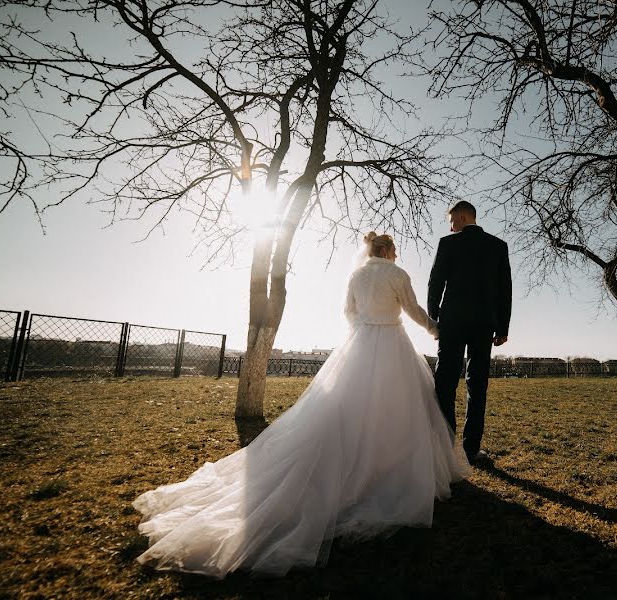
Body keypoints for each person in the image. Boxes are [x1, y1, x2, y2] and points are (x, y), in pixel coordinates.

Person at [133, 232, 469, 579]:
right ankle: (387, 469)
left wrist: (364, 332)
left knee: (348, 410)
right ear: (388, 251)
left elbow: (348, 313)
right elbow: (412, 309)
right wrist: (434, 329)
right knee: (399, 411)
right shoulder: (397, 275)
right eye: (395, 250)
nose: (395, 255)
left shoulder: (356, 275)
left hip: (362, 343)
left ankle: (359, 467)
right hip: (391, 344)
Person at [428, 201, 512, 465]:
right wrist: (503, 327)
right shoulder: (498, 246)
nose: (450, 226)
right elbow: (505, 290)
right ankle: (471, 450)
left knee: (445, 383)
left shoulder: (447, 244)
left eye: (451, 220)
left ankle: (444, 447)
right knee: (478, 386)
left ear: (463, 217)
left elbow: (435, 283)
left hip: (452, 322)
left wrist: (434, 319)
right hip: (484, 324)